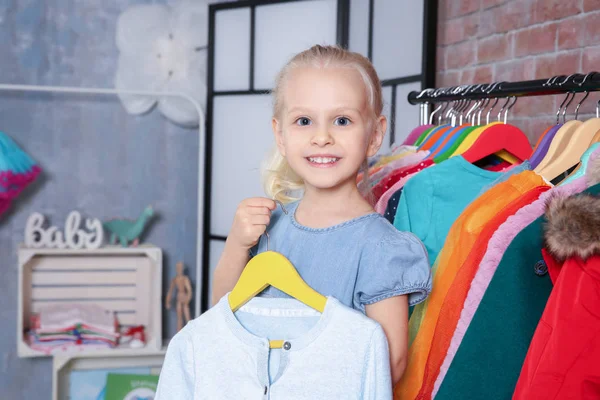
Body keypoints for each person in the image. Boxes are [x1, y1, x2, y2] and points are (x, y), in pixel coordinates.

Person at [212, 44, 431, 384]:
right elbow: (222, 316)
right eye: (304, 121)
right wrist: (236, 246)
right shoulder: (270, 228)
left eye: (342, 120)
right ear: (280, 135)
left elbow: (391, 365)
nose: (322, 137)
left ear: (374, 135)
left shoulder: (381, 249)